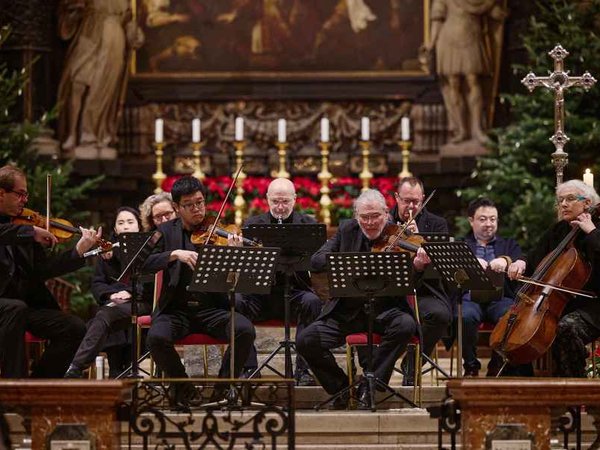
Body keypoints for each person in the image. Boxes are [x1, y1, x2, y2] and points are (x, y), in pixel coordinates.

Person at [297, 189, 429, 409]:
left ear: (386, 214)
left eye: (375, 216)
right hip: (347, 312)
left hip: (386, 311)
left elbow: (413, 282)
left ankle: (371, 384)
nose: (370, 222)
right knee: (306, 340)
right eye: (364, 217)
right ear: (356, 216)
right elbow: (317, 260)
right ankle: (340, 388)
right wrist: (348, 262)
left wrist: (416, 266)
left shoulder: (400, 235)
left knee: (406, 325)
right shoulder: (346, 230)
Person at [143, 176, 254, 406]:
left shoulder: (218, 232)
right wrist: (174, 255)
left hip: (211, 308)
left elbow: (235, 279)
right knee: (155, 338)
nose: (197, 209)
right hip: (176, 309)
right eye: (189, 205)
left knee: (244, 330)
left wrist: (234, 254)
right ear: (176, 207)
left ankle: (222, 389)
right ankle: (184, 388)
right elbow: (141, 263)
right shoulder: (164, 232)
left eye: (200, 202)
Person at [0, 165, 101, 378]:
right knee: (14, 309)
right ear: (1, 193)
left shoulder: (23, 226)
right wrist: (30, 231)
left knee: (73, 327)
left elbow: (43, 270)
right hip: (7, 307)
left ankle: (38, 386)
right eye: (20, 194)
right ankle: (14, 388)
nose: (25, 200)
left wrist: (78, 251)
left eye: (26, 195)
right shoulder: (22, 230)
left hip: (22, 307)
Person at [508, 180, 600, 378]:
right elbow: (533, 255)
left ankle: (577, 388)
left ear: (587, 203)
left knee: (566, 327)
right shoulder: (559, 230)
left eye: (570, 199)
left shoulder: (596, 229)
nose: (563, 204)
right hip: (561, 303)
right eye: (560, 200)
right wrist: (521, 263)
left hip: (594, 304)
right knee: (515, 326)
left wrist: (592, 232)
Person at [237, 178, 322, 385]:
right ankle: (249, 367)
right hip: (261, 295)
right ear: (267, 199)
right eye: (275, 202)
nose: (280, 207)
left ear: (295, 199)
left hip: (294, 292)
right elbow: (245, 270)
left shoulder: (308, 225)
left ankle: (303, 370)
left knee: (312, 301)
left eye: (285, 201)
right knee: (237, 302)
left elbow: (317, 262)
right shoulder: (253, 225)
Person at [64, 207, 152, 378]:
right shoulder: (107, 251)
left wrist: (130, 293)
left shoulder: (148, 248)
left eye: (130, 222)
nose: (125, 226)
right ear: (115, 229)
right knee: (108, 312)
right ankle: (116, 370)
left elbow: (151, 281)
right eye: (121, 223)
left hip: (142, 300)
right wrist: (111, 295)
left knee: (104, 316)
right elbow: (97, 283)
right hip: (115, 304)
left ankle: (78, 366)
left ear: (139, 226)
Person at [57, 0, 144, 153]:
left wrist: (133, 32)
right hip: (90, 33)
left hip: (114, 37)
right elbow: (68, 11)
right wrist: (74, 11)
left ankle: (90, 135)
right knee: (77, 81)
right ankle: (71, 133)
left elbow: (128, 20)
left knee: (103, 89)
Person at [389, 177, 451, 384]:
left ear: (423, 199)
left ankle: (412, 363)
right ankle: (378, 371)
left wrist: (418, 239)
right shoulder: (383, 221)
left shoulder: (437, 224)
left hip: (425, 289)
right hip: (391, 290)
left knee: (441, 315)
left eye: (416, 201)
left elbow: (441, 265)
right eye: (406, 201)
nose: (411, 206)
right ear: (396, 198)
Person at [460, 197, 529, 377]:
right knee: (465, 316)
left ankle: (496, 364)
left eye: (493, 219)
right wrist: (470, 263)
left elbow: (521, 259)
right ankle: (471, 366)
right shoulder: (461, 245)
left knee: (509, 315)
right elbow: (452, 276)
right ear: (471, 221)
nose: (488, 224)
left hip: (500, 297)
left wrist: (508, 262)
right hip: (470, 297)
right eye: (482, 219)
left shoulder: (509, 244)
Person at [428, 0, 505, 144]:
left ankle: (477, 129)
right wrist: (431, 44)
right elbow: (437, 21)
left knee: (473, 80)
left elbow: (495, 13)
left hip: (472, 37)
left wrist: (500, 13)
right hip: (448, 39)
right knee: (453, 84)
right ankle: (461, 129)